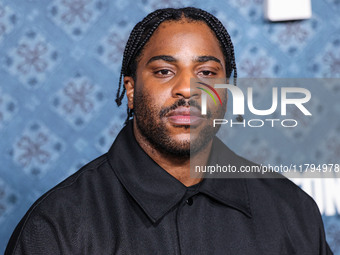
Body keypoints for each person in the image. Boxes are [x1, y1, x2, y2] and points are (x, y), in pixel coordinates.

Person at [5, 7, 333, 255]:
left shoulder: (291, 208)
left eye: (206, 72)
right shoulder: (57, 225)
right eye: (164, 71)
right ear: (131, 90)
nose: (187, 89)